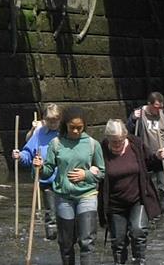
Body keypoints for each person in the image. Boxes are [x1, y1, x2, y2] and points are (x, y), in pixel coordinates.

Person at [33, 106, 105, 265]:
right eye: (72, 127)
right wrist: (39, 167)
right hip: (63, 197)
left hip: (87, 196)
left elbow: (101, 172)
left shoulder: (93, 144)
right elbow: (48, 171)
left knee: (87, 242)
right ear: (65, 125)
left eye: (79, 128)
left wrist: (86, 174)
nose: (76, 131)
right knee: (66, 243)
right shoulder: (56, 143)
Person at [99, 120, 161, 265]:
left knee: (138, 230)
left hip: (137, 199)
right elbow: (94, 170)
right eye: (113, 141)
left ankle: (139, 261)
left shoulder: (136, 145)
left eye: (120, 141)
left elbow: (150, 163)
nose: (117, 145)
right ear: (107, 138)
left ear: (125, 137)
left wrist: (158, 157)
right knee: (118, 240)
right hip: (114, 203)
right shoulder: (101, 149)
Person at [13, 103, 62, 240]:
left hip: (65, 181)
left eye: (55, 120)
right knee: (51, 213)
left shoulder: (66, 133)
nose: (52, 123)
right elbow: (28, 153)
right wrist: (20, 156)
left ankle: (67, 240)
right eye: (49, 120)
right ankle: (51, 240)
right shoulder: (39, 133)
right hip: (46, 180)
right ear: (44, 119)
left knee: (65, 213)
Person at [126, 91, 164, 208]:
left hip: (163, 157)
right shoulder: (139, 114)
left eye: (161, 107)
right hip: (144, 157)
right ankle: (148, 214)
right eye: (156, 107)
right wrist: (133, 119)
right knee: (142, 189)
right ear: (149, 104)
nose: (158, 110)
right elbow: (127, 132)